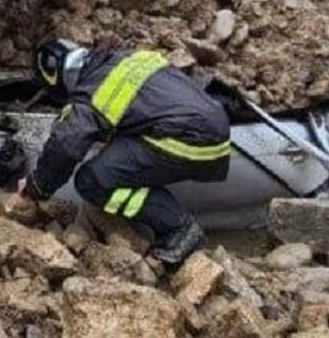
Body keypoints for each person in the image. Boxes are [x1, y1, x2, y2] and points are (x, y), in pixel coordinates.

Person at [16, 39, 232, 265]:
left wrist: (37, 186)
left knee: (92, 180)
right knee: (119, 157)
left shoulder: (91, 92)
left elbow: (66, 145)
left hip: (187, 141)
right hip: (214, 124)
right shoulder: (124, 58)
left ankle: (178, 228)